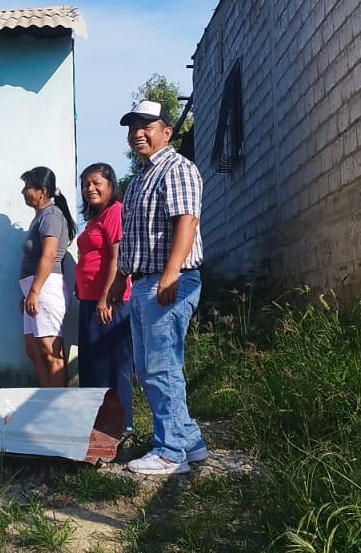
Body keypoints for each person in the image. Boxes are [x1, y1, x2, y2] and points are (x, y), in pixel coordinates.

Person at [117, 100, 211, 476]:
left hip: (168, 279)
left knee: (161, 367)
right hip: (144, 282)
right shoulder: (141, 177)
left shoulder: (177, 168)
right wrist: (121, 279)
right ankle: (189, 442)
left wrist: (171, 273)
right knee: (149, 368)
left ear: (167, 132)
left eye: (147, 126)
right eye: (132, 128)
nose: (138, 133)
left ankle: (170, 453)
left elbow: (187, 221)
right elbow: (134, 238)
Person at [74, 162, 134, 431]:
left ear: (110, 185)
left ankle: (121, 426)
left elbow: (117, 258)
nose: (90, 188)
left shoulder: (115, 212)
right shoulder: (94, 219)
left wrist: (106, 298)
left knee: (113, 364)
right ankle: (96, 425)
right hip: (89, 300)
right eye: (86, 184)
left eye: (96, 183)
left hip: (110, 301)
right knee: (93, 364)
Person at [18, 166, 76, 388]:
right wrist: (28, 294)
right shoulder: (40, 217)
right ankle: (44, 398)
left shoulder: (51, 215)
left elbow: (50, 255)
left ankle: (57, 402)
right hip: (35, 290)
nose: (23, 192)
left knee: (50, 352)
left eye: (27, 187)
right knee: (34, 351)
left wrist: (34, 291)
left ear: (42, 191)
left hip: (46, 289)